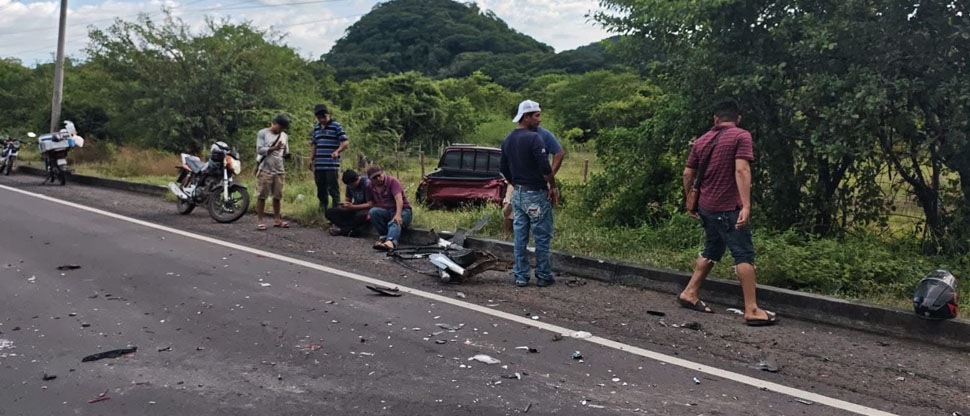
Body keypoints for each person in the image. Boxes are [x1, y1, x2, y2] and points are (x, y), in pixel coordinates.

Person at [679, 98, 777, 326]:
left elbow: (687, 174)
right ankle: (752, 309)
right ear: (738, 118)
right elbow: (741, 169)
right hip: (728, 207)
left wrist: (690, 201)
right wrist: (746, 205)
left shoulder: (701, 141)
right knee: (743, 254)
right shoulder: (742, 136)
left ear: (715, 118)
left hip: (707, 207)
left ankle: (689, 292)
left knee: (712, 248)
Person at [500, 100, 558, 287]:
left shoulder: (508, 139)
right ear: (526, 116)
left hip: (518, 194)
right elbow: (545, 166)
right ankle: (543, 275)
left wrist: (514, 182)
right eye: (536, 115)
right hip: (536, 194)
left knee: (520, 236)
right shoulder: (535, 139)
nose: (539, 119)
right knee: (541, 235)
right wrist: (552, 185)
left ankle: (521, 275)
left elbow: (503, 167)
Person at [503, 126, 564, 239]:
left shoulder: (543, 134)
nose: (538, 119)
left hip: (535, 182)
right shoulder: (513, 136)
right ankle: (508, 235)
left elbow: (559, 153)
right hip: (517, 181)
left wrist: (550, 176)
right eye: (536, 115)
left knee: (536, 215)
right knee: (509, 207)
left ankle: (525, 237)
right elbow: (504, 162)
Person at [359, 165, 412, 251]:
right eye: (375, 178)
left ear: (383, 173)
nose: (378, 179)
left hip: (403, 210)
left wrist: (398, 215)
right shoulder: (369, 186)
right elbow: (371, 202)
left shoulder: (392, 181)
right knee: (373, 212)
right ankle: (384, 237)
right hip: (387, 211)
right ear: (370, 179)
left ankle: (390, 242)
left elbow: (398, 199)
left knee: (394, 221)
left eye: (379, 175)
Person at [254, 113, 290, 231]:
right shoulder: (263, 133)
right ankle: (260, 220)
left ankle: (277, 219)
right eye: (279, 127)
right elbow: (259, 149)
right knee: (262, 195)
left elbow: (285, 152)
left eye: (283, 128)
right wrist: (272, 148)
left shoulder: (284, 136)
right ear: (274, 123)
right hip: (265, 169)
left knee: (277, 196)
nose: (281, 130)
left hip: (279, 169)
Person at [309, 104, 348, 210]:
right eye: (319, 118)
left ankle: (336, 210)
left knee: (333, 188)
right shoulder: (316, 127)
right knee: (321, 188)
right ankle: (323, 209)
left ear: (328, 114)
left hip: (331, 164)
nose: (322, 120)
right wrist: (311, 159)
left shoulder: (336, 126)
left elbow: (345, 142)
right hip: (319, 164)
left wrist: (337, 151)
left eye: (324, 117)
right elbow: (314, 144)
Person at [325, 169, 371, 236]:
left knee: (362, 217)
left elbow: (371, 204)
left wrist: (353, 207)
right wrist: (345, 206)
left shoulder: (367, 184)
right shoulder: (349, 186)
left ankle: (343, 230)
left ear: (357, 179)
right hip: (354, 208)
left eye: (352, 184)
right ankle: (348, 229)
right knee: (329, 212)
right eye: (349, 185)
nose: (351, 186)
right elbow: (348, 199)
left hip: (365, 209)